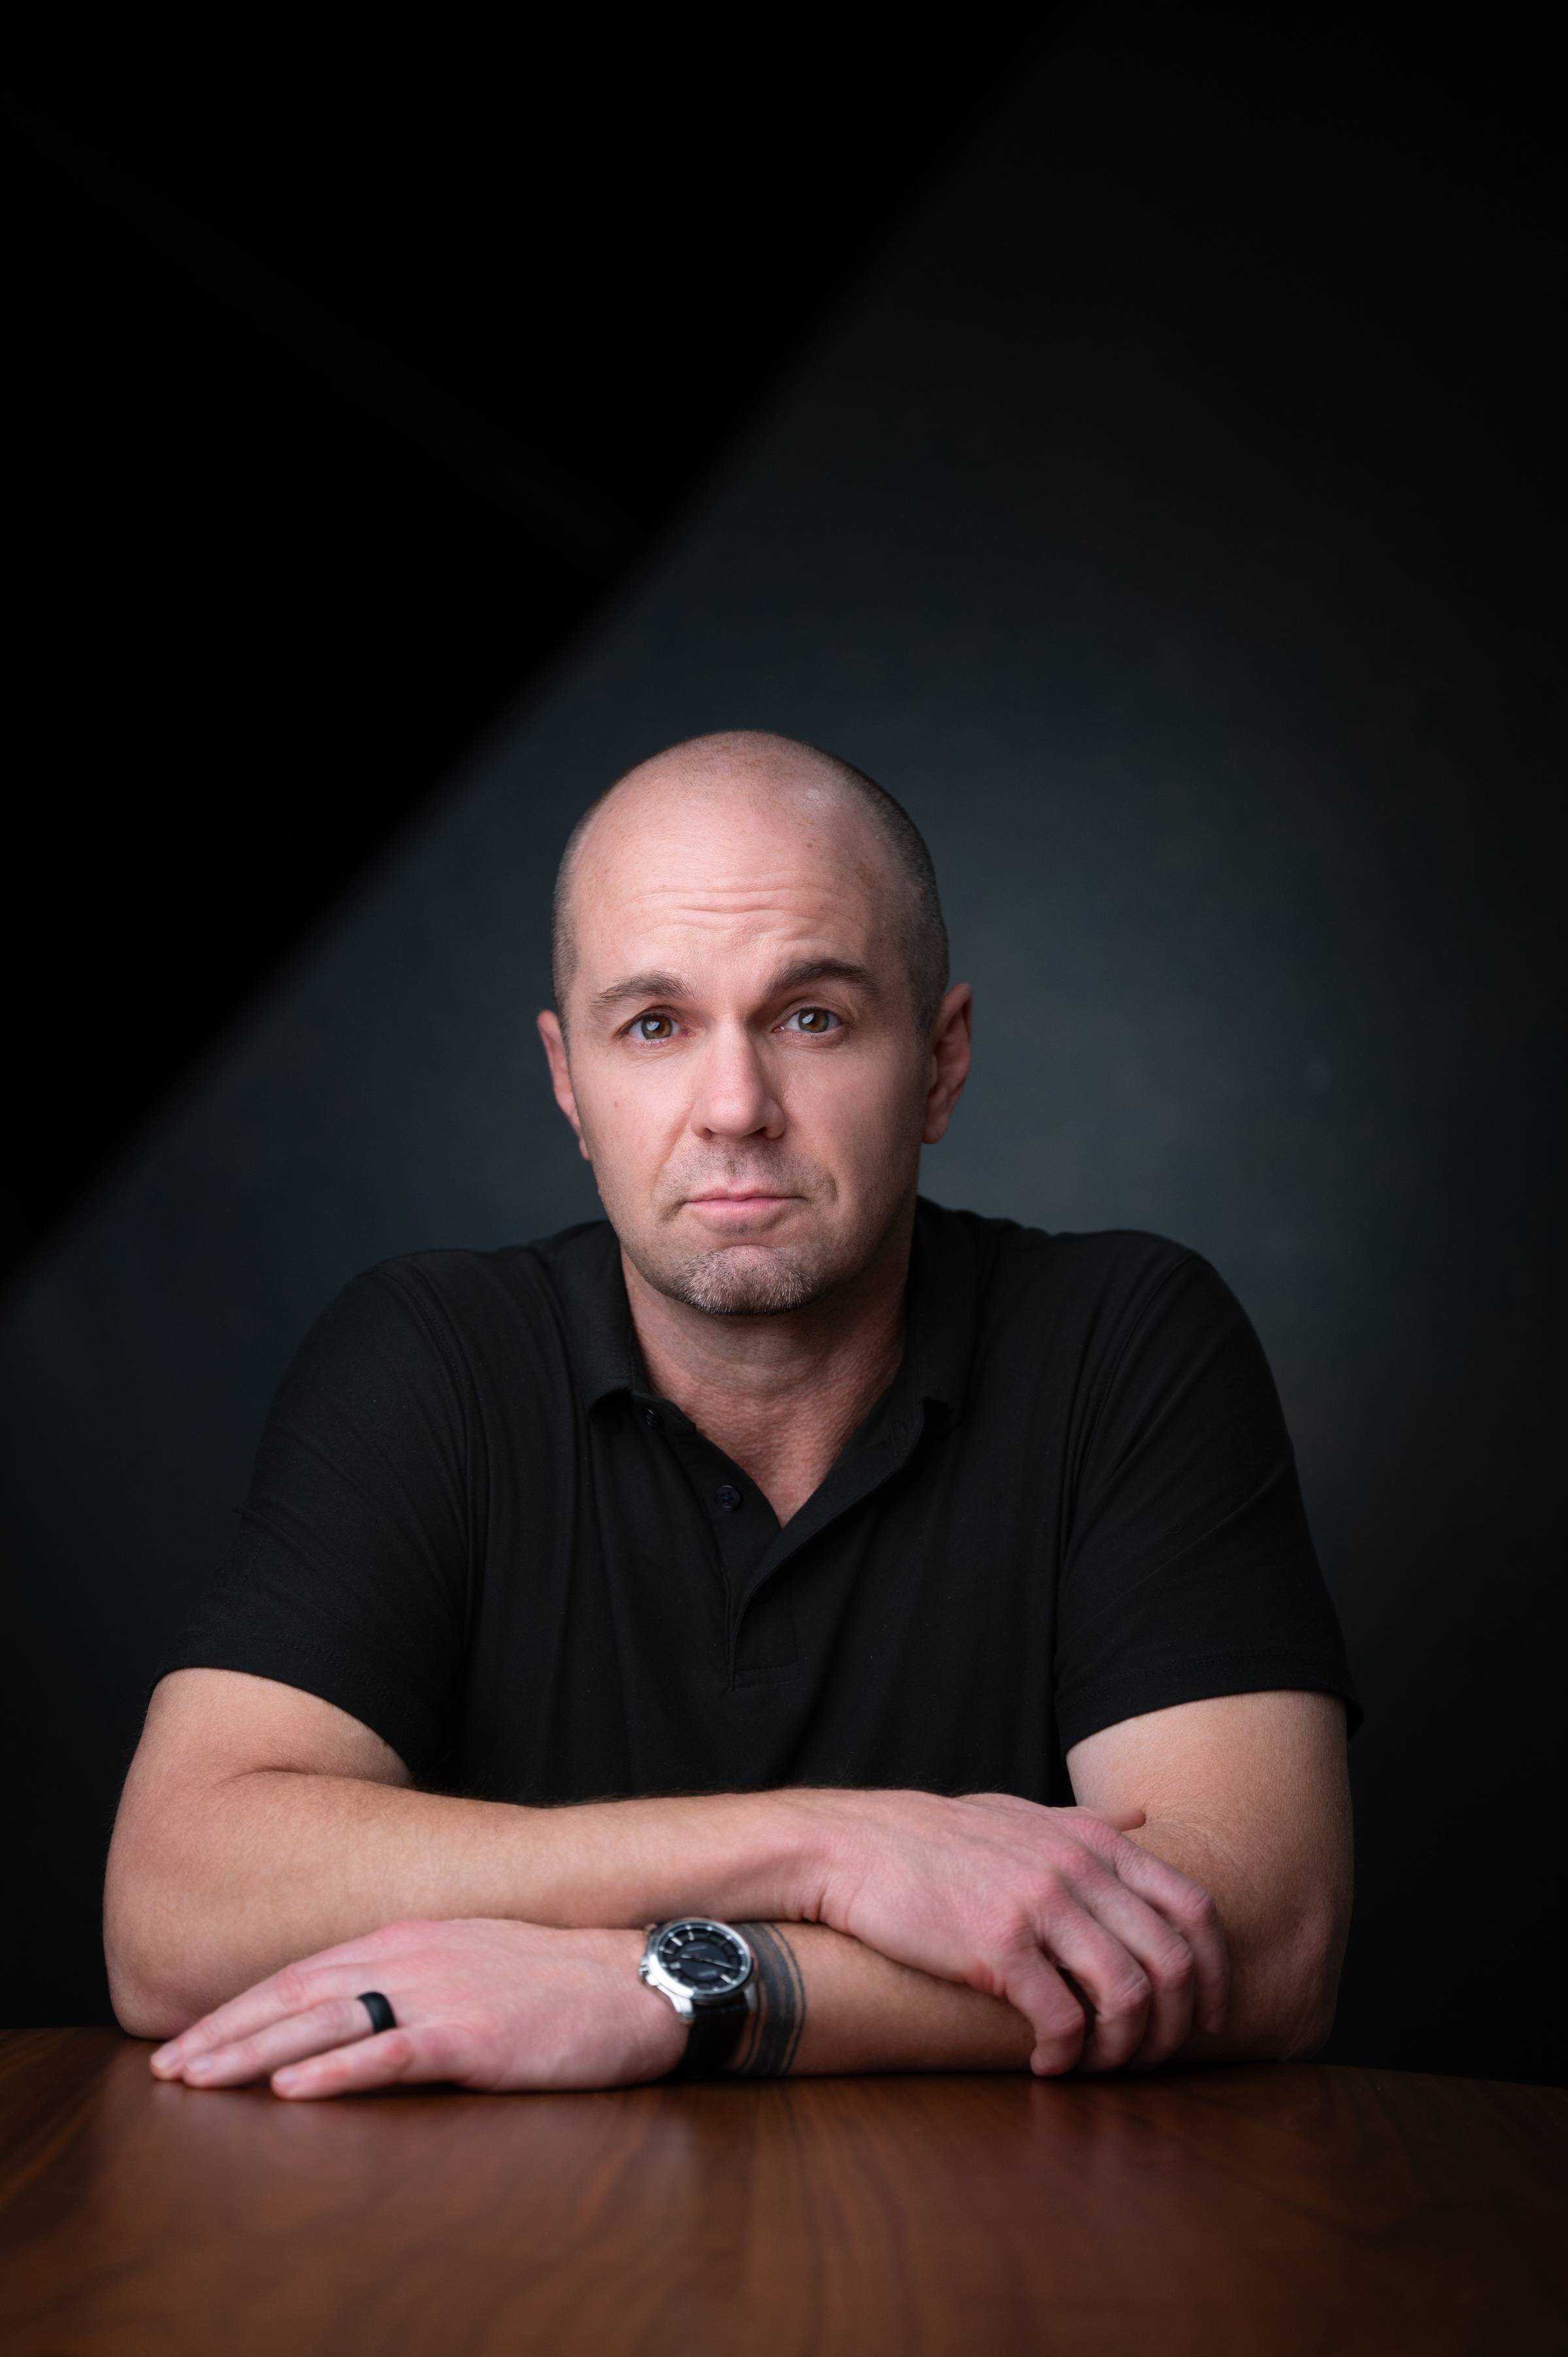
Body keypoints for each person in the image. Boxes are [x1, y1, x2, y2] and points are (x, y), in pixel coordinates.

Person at [105, 731, 1356, 2102]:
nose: (735, 1109)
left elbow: (1266, 1934)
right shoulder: (430, 1359)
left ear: (941, 1060)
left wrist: (681, 1986)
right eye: (655, 1024)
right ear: (569, 1078)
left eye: (812, 1015)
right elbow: (175, 1913)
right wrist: (831, 1849)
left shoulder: (1125, 1340)